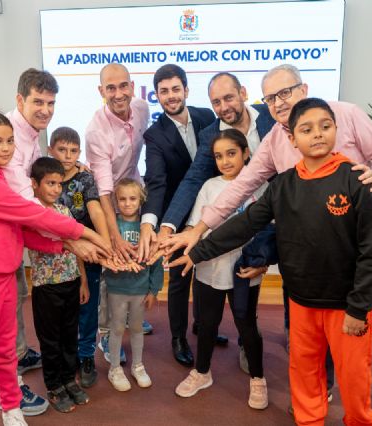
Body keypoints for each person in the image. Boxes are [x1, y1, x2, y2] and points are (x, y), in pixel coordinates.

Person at [166, 64, 372, 426]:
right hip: (308, 255)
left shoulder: (346, 119)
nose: (279, 102)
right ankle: (319, 390)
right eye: (270, 98)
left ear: (305, 88)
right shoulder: (277, 151)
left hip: (361, 238)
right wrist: (198, 235)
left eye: (285, 92)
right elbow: (243, 195)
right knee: (310, 338)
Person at [0, 110, 111, 426]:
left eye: (10, 141)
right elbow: (34, 216)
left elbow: (18, 232)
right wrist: (88, 235)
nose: (6, 148)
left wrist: (66, 245)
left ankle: (12, 410)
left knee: (5, 354)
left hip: (2, 280)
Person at [157, 72, 275, 372]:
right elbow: (194, 179)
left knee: (255, 296)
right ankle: (200, 355)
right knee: (219, 304)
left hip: (276, 216)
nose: (223, 106)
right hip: (228, 229)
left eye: (228, 98)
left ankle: (271, 344)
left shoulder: (271, 118)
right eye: (216, 102)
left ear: (244, 93)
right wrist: (171, 226)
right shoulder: (212, 134)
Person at [172, 129, 268, 410]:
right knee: (207, 324)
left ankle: (258, 378)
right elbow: (195, 227)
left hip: (244, 270)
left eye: (231, 153)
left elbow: (266, 232)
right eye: (218, 156)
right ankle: (202, 373)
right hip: (208, 268)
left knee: (246, 324)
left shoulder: (259, 186)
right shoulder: (209, 186)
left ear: (246, 153)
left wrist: (261, 264)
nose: (225, 161)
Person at [137, 64, 218, 367]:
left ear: (185, 89)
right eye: (163, 91)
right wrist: (152, 223)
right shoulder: (155, 135)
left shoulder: (207, 117)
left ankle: (202, 324)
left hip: (212, 211)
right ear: (156, 95)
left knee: (208, 272)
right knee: (181, 278)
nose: (170, 96)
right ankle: (178, 337)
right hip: (177, 213)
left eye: (175, 89)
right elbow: (156, 183)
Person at [85, 63, 152, 362]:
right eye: (110, 88)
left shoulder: (142, 108)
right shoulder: (95, 131)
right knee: (110, 264)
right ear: (102, 92)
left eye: (123, 86)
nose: (118, 93)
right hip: (108, 201)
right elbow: (103, 190)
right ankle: (106, 332)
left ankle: (130, 312)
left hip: (133, 194)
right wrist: (113, 236)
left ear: (132, 86)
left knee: (137, 251)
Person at [2, 68, 60, 415]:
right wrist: (72, 235)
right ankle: (12, 389)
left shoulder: (31, 133)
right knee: (6, 309)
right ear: (20, 100)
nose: (45, 109)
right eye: (38, 101)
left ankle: (21, 354)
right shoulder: (10, 135)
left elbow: (37, 175)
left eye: (50, 103)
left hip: (11, 234)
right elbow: (27, 200)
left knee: (18, 295)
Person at [28, 157, 91, 413]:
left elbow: (76, 246)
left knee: (69, 336)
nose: (55, 189)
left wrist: (83, 279)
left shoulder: (64, 210)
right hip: (47, 287)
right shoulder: (31, 211)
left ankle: (68, 380)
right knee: (50, 340)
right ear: (34, 184)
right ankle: (54, 385)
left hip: (71, 282)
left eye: (58, 184)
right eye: (50, 183)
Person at [49, 126, 110, 388]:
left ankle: (86, 355)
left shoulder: (84, 179)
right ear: (50, 150)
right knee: (63, 308)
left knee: (88, 306)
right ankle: (67, 354)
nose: (67, 155)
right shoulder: (44, 177)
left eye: (73, 151)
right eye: (61, 150)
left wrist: (105, 242)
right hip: (57, 254)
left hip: (87, 250)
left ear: (79, 153)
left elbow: (95, 211)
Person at [105, 178, 163, 392]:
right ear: (115, 201)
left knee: (137, 328)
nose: (127, 203)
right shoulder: (113, 227)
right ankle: (114, 368)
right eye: (122, 199)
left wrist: (153, 290)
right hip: (117, 288)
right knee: (117, 327)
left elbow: (156, 261)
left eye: (132, 198)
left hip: (140, 289)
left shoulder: (146, 227)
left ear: (141, 200)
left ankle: (138, 365)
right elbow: (107, 254)